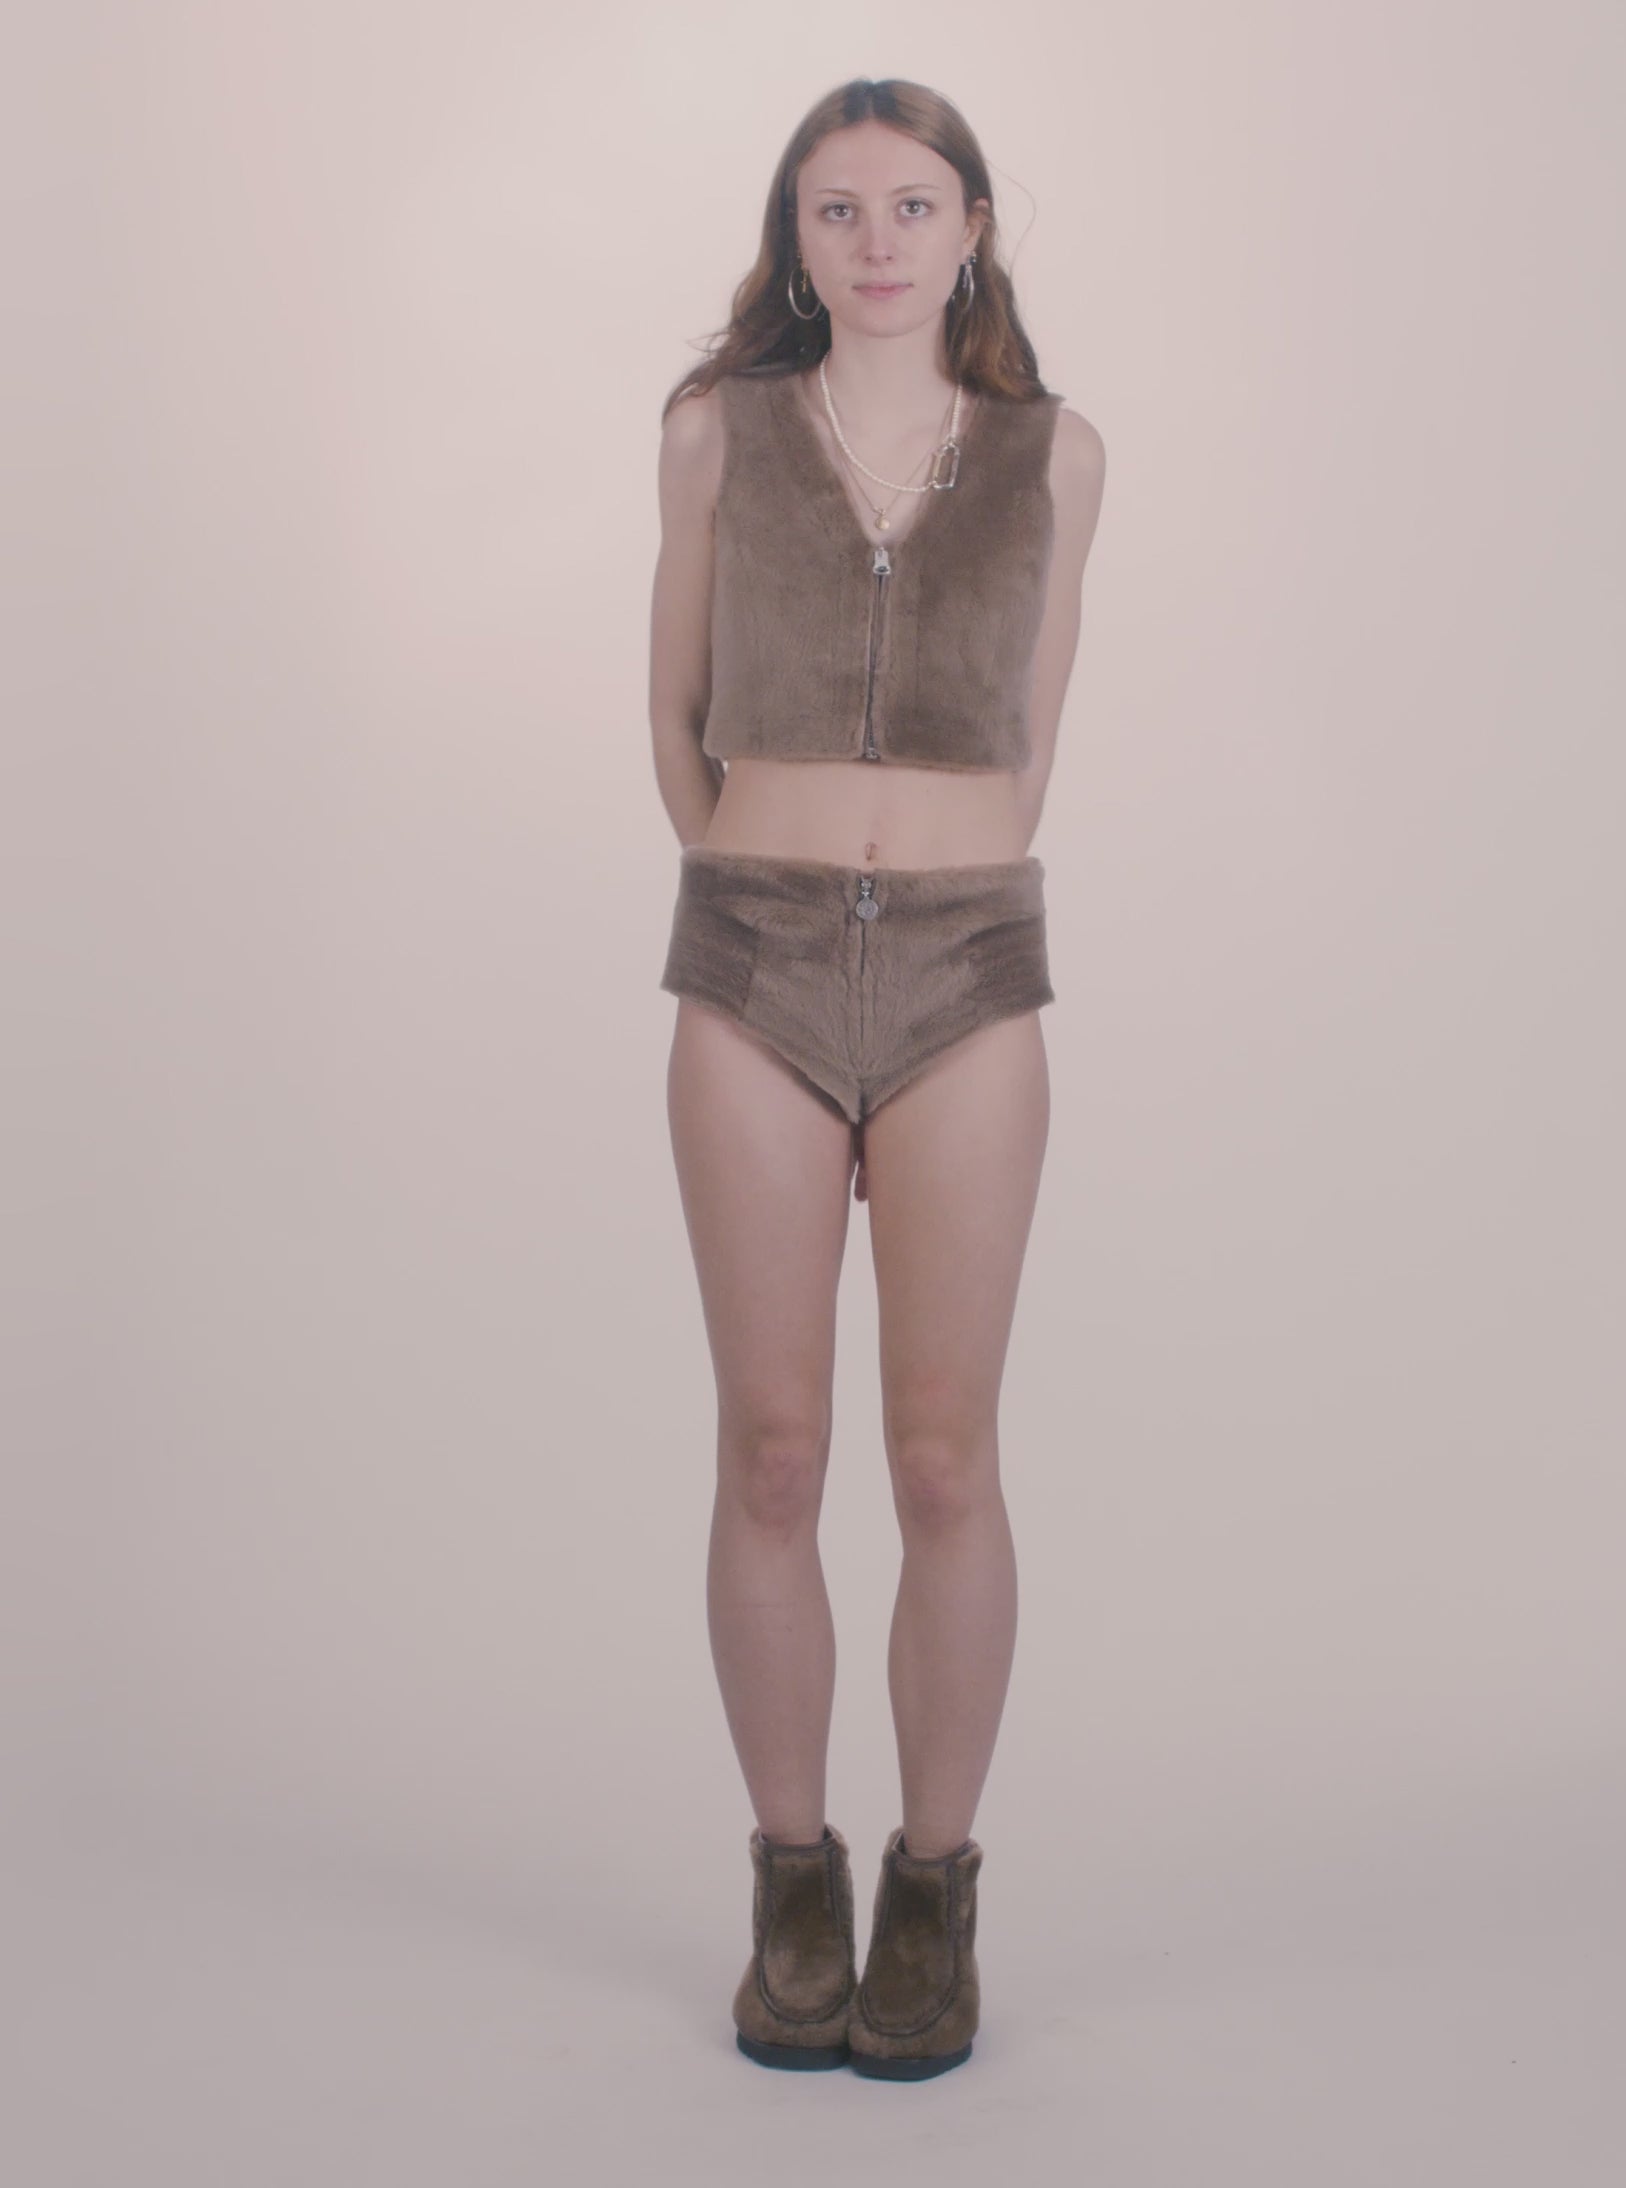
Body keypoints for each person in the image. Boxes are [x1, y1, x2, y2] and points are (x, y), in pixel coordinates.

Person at [648, 78, 1104, 2079]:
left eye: (913, 205)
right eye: (835, 211)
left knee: (941, 1459)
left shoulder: (1055, 455)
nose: (877, 243)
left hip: (964, 966)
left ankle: (931, 1884)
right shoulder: (713, 432)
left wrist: (915, 883)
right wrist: (768, 874)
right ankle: (787, 1877)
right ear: (795, 237)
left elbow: (1030, 742)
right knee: (770, 1448)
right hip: (749, 954)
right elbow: (672, 713)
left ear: (972, 225)